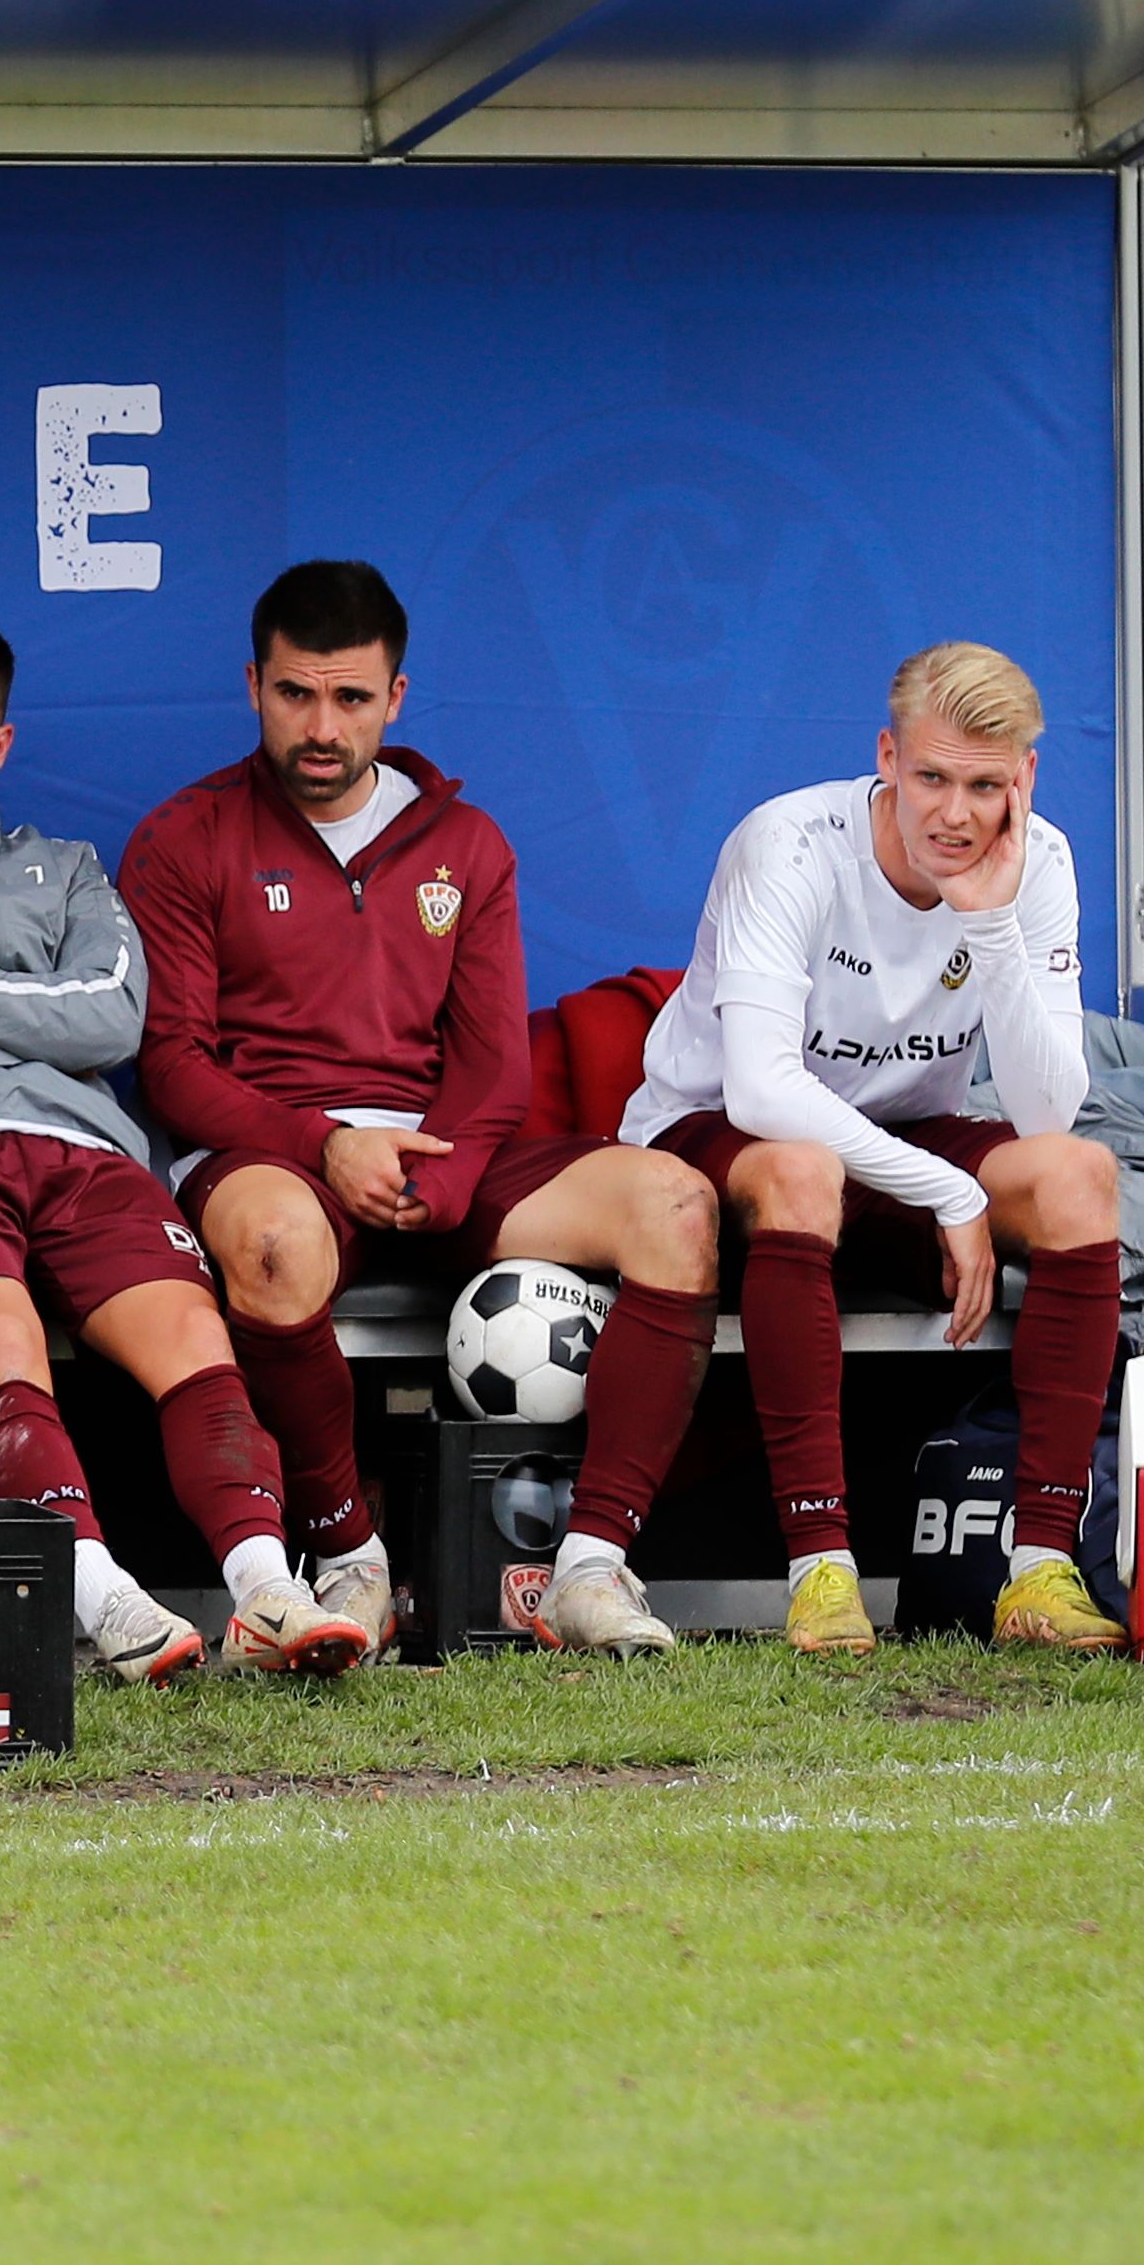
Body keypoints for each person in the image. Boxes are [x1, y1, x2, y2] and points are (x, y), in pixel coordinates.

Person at [120, 560, 722, 1662]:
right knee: (267, 1238)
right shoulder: (183, 836)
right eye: (294, 693)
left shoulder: (466, 843)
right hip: (275, 1145)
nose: (320, 724)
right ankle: (348, 1550)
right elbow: (171, 1067)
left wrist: (434, 1176)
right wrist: (324, 1144)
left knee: (674, 1203)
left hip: (442, 1147)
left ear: (395, 698)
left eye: (349, 698)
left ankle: (588, 1566)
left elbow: (493, 1062)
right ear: (252, 684)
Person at [0, 609, 359, 1679]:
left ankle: (266, 1587)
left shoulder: (67, 864)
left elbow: (108, 1018)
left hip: (80, 1149)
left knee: (190, 1330)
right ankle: (102, 1593)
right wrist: (18, 1006)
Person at [624, 643, 1129, 1658]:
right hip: (711, 1136)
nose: (953, 812)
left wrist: (987, 926)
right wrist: (945, 1188)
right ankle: (819, 1570)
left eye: (984, 785)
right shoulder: (789, 843)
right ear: (886, 757)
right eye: (930, 777)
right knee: (803, 1166)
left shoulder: (1041, 859)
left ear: (1023, 777)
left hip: (891, 1144)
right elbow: (764, 1088)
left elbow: (1045, 1112)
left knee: (1081, 1180)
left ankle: (1037, 1566)